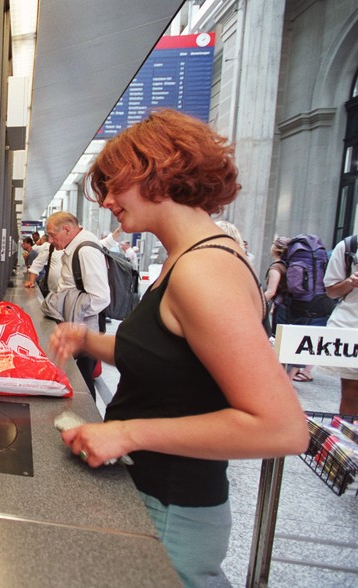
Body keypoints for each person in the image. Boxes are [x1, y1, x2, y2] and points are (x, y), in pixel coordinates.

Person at [48, 110, 308, 588]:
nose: (107, 201)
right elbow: (167, 358)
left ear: (160, 171)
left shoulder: (204, 271)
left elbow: (282, 428)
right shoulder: (185, 261)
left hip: (174, 510)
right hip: (159, 497)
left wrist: (127, 434)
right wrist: (89, 340)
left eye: (114, 185)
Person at [44, 211, 110, 397]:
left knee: (82, 383)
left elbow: (101, 297)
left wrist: (74, 311)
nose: (50, 240)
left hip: (83, 327)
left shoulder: (85, 250)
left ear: (66, 229)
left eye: (52, 234)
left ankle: (86, 421)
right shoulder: (76, 247)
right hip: (77, 325)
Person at [323, 235, 358, 415]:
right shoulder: (349, 246)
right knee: (352, 391)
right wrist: (350, 282)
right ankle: (350, 440)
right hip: (351, 326)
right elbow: (331, 291)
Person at [263, 237, 290, 334]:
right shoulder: (288, 264)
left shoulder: (276, 267)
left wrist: (257, 304)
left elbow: (271, 291)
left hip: (281, 307)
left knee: (278, 337)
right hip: (290, 307)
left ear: (275, 249)